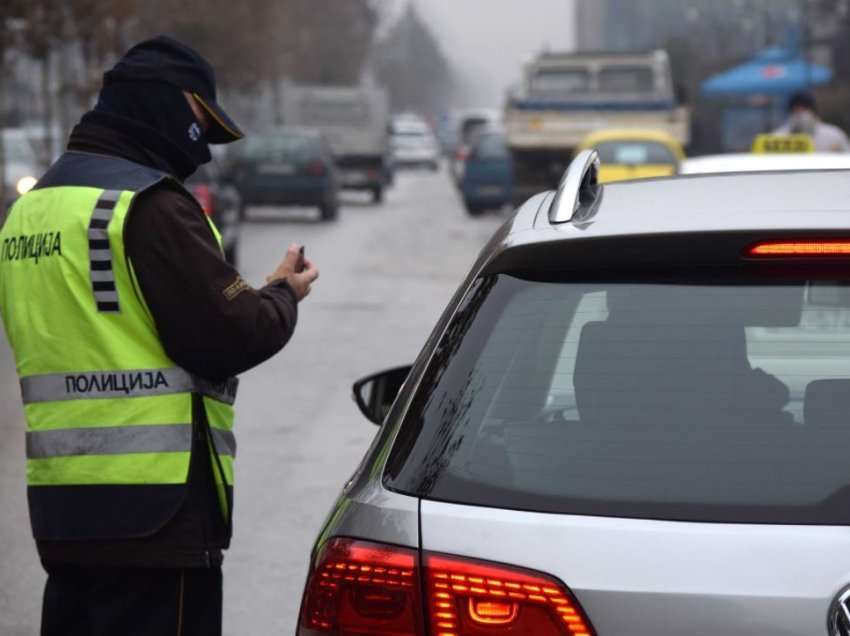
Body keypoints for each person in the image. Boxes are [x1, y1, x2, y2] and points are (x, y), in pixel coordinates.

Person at [0, 36, 319, 635]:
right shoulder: (147, 204)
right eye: (201, 123)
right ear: (168, 107)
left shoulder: (31, 211)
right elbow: (230, 335)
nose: (201, 152)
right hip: (157, 519)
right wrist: (282, 293)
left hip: (64, 515)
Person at [773, 90, 850, 152]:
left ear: (813, 111)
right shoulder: (778, 138)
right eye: (796, 109)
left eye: (805, 108)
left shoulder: (834, 135)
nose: (801, 113)